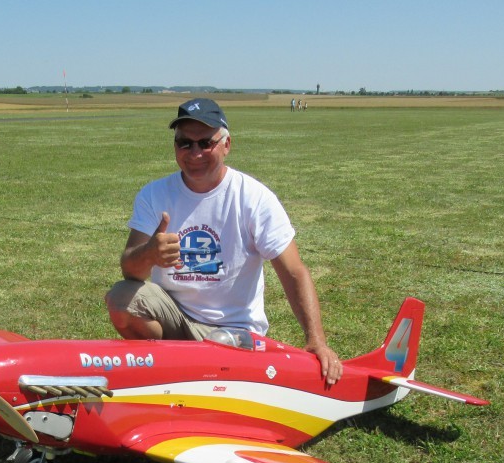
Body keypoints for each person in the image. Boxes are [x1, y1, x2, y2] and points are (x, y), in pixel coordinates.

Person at [105, 98, 342, 386]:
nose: (195, 153)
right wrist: (149, 254)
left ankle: (192, 369)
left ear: (226, 145)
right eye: (184, 143)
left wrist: (316, 340)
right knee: (121, 299)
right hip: (178, 321)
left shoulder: (254, 197)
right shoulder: (154, 194)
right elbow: (130, 270)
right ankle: (169, 365)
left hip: (235, 333)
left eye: (206, 143)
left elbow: (294, 271)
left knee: (224, 348)